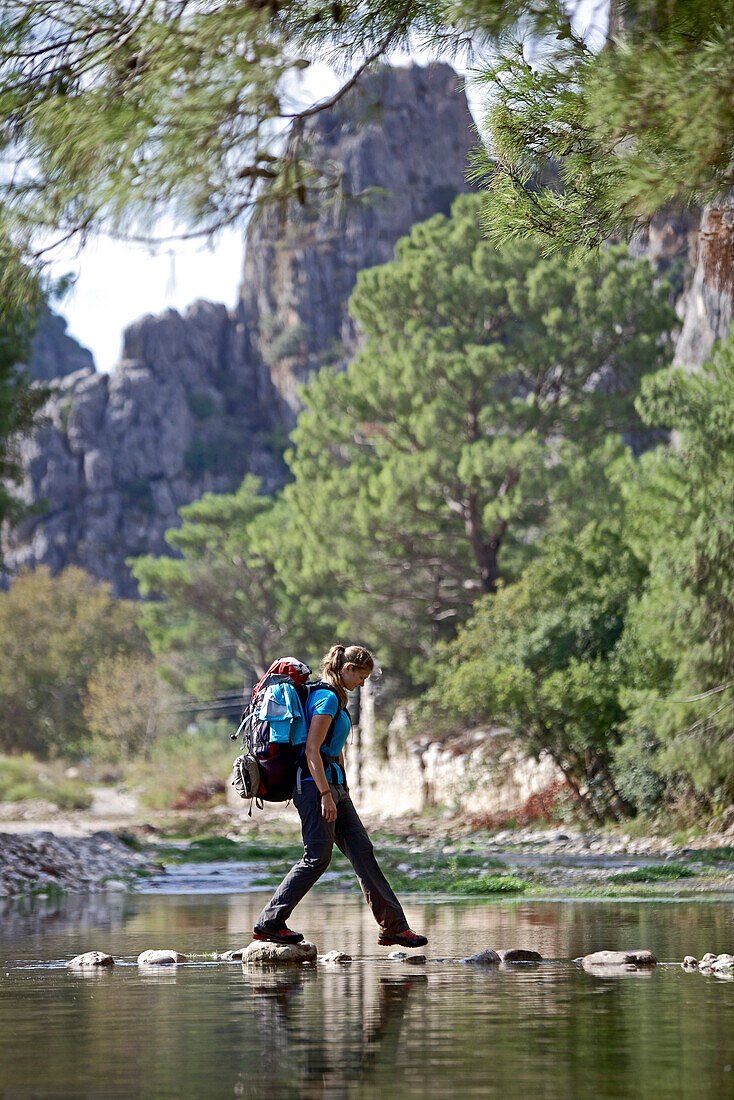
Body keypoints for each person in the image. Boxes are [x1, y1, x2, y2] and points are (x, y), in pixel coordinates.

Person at [253, 644, 428, 949]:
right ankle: (270, 922)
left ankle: (394, 927)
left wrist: (342, 790)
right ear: (348, 670)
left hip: (333, 788)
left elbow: (334, 749)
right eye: (362, 676)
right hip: (313, 787)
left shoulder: (335, 698)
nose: (363, 683)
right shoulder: (326, 698)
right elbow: (312, 750)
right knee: (317, 857)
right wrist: (325, 794)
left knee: (362, 851)